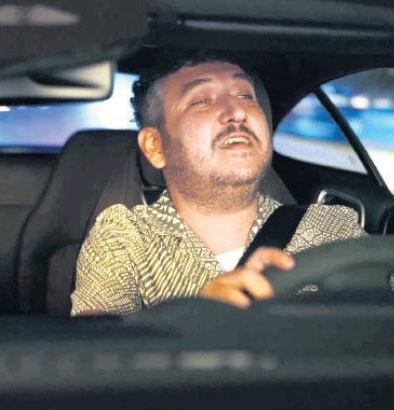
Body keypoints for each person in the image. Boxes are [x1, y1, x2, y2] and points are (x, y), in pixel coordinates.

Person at [70, 54, 366, 316]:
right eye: (202, 100)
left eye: (245, 95)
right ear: (155, 146)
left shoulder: (331, 227)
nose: (237, 112)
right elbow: (94, 350)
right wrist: (196, 318)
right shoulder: (125, 238)